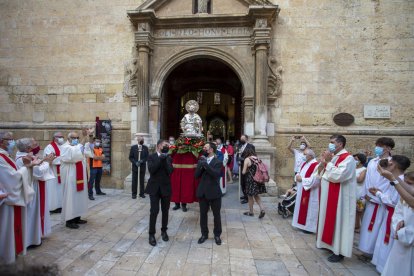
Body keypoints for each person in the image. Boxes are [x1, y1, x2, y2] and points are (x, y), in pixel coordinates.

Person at [315, 134, 356, 262]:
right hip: (329, 197)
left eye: (332, 142)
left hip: (340, 199)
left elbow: (338, 176)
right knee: (329, 221)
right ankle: (328, 245)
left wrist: (327, 162)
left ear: (340, 144)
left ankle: (340, 252)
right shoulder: (333, 157)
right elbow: (320, 174)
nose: (330, 145)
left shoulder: (348, 158)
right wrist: (322, 163)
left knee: (340, 223)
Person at [368, 155, 410, 273]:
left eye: (390, 163)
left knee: (389, 242)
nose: (388, 164)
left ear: (394, 165)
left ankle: (386, 268)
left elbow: (394, 201)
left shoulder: (400, 180)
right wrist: (380, 193)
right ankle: (381, 265)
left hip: (395, 214)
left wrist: (378, 194)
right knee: (383, 239)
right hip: (389, 212)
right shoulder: (395, 178)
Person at [0, 131, 34, 263]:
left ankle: (11, 252)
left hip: (9, 197)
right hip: (7, 200)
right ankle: (6, 256)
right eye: (10, 139)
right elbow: (12, 178)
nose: (13, 142)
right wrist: (26, 167)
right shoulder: (1, 158)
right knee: (7, 230)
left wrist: (28, 167)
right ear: (2, 141)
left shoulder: (6, 156)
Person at [15, 138, 55, 248]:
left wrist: (43, 161)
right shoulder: (22, 158)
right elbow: (38, 172)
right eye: (34, 144)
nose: (37, 145)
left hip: (34, 185)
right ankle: (30, 240)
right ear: (28, 148)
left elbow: (35, 166)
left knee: (34, 213)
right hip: (32, 187)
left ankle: (34, 236)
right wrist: (47, 162)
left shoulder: (25, 155)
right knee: (31, 214)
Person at [359, 137, 395, 256]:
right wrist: (364, 196)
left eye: (381, 145)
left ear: (388, 148)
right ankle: (365, 250)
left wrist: (377, 196)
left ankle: (373, 252)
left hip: (381, 201)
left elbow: (388, 183)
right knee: (366, 225)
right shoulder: (373, 161)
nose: (378, 148)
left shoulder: (392, 163)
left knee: (378, 227)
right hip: (369, 198)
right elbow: (368, 179)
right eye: (377, 145)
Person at [379, 171, 414, 276]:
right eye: (405, 183)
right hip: (400, 240)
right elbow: (398, 213)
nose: (406, 187)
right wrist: (399, 223)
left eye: (410, 183)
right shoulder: (402, 199)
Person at [145, 139, 174, 246]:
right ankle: (151, 234)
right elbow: (152, 170)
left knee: (165, 211)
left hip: (166, 188)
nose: (167, 147)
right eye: (165, 145)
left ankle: (164, 231)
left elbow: (170, 171)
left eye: (168, 146)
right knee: (154, 211)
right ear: (158, 146)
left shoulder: (169, 158)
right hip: (154, 188)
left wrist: (165, 159)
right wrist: (160, 160)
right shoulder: (151, 157)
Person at [195, 142, 223, 245]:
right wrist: (200, 165)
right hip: (203, 192)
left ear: (211, 150)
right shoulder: (201, 160)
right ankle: (204, 234)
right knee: (203, 215)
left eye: (205, 148)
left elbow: (215, 174)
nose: (203, 149)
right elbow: (196, 175)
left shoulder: (218, 161)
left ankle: (217, 235)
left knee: (216, 215)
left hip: (214, 192)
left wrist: (205, 165)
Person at [60, 131, 88, 229]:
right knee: (70, 197)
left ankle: (77, 217)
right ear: (68, 139)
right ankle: (69, 220)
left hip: (78, 176)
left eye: (77, 138)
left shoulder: (76, 147)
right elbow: (73, 157)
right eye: (73, 138)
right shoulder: (65, 147)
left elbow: (82, 156)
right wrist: (84, 138)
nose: (76, 139)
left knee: (78, 197)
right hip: (70, 177)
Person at [291, 149, 319, 233]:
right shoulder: (304, 164)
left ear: (310, 156)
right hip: (301, 190)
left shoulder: (316, 165)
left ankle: (309, 228)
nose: (303, 156)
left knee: (310, 209)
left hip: (310, 192)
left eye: (304, 154)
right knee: (300, 207)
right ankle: (301, 225)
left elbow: (316, 180)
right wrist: (297, 177)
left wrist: (302, 179)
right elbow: (298, 173)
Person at [241, 147, 267, 218]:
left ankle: (251, 212)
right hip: (258, 179)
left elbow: (243, 172)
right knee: (256, 195)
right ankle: (262, 209)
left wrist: (244, 169)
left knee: (250, 196)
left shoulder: (247, 159)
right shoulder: (257, 158)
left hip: (250, 180)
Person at [43, 132, 65, 213]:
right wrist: (63, 158)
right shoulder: (49, 147)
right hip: (53, 171)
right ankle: (52, 207)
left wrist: (62, 158)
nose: (61, 138)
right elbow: (50, 159)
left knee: (60, 189)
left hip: (61, 171)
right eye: (59, 136)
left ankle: (60, 206)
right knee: (53, 190)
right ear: (54, 137)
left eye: (62, 136)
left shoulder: (63, 146)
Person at [237, 134, 255, 204]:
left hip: (248, 168)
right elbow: (238, 154)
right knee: (242, 182)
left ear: (246, 139)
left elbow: (253, 156)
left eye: (243, 139)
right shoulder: (240, 146)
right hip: (241, 166)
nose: (241, 140)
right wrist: (238, 159)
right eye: (241, 139)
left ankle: (248, 198)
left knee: (246, 182)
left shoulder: (251, 146)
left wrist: (244, 159)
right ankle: (245, 195)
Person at [353, 153, 367, 232]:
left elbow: (360, 179)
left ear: (361, 161)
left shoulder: (364, 169)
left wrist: (351, 176)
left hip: (360, 192)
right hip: (352, 191)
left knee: (359, 210)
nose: (355, 161)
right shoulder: (352, 169)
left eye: (356, 159)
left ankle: (358, 225)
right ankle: (354, 224)